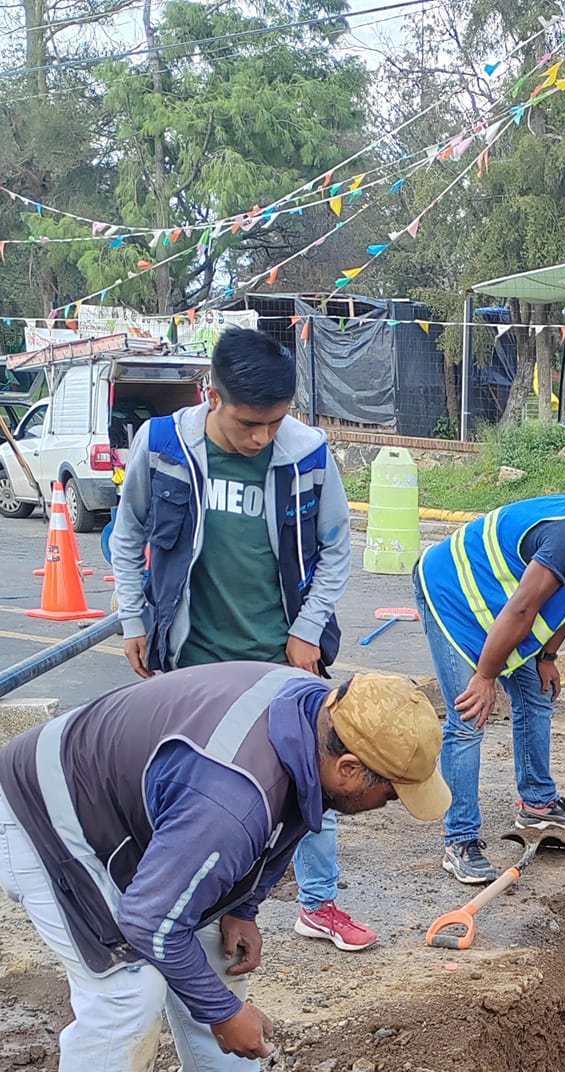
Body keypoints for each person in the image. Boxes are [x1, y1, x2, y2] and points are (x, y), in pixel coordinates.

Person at [0, 665, 448, 1072]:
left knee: (203, 933)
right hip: (51, 819)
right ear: (349, 771)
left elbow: (297, 810)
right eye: (391, 793)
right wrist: (222, 1014)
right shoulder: (230, 799)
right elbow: (148, 920)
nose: (388, 806)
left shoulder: (315, 716)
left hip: (133, 812)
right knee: (127, 991)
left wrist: (243, 906)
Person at [111, 328, 377, 953]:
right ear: (212, 395)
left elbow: (338, 547)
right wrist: (133, 620)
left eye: (274, 422)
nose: (261, 438)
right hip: (192, 658)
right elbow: (127, 539)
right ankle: (172, 908)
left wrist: (307, 630)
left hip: (280, 657)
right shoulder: (162, 447)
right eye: (248, 423)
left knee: (313, 778)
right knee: (188, 788)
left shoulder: (308, 454)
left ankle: (318, 904)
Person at [415, 486, 565, 883]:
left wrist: (547, 657)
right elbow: (523, 607)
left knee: (536, 695)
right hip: (452, 594)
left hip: (498, 603)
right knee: (469, 717)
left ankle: (538, 803)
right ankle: (460, 839)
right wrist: (486, 676)